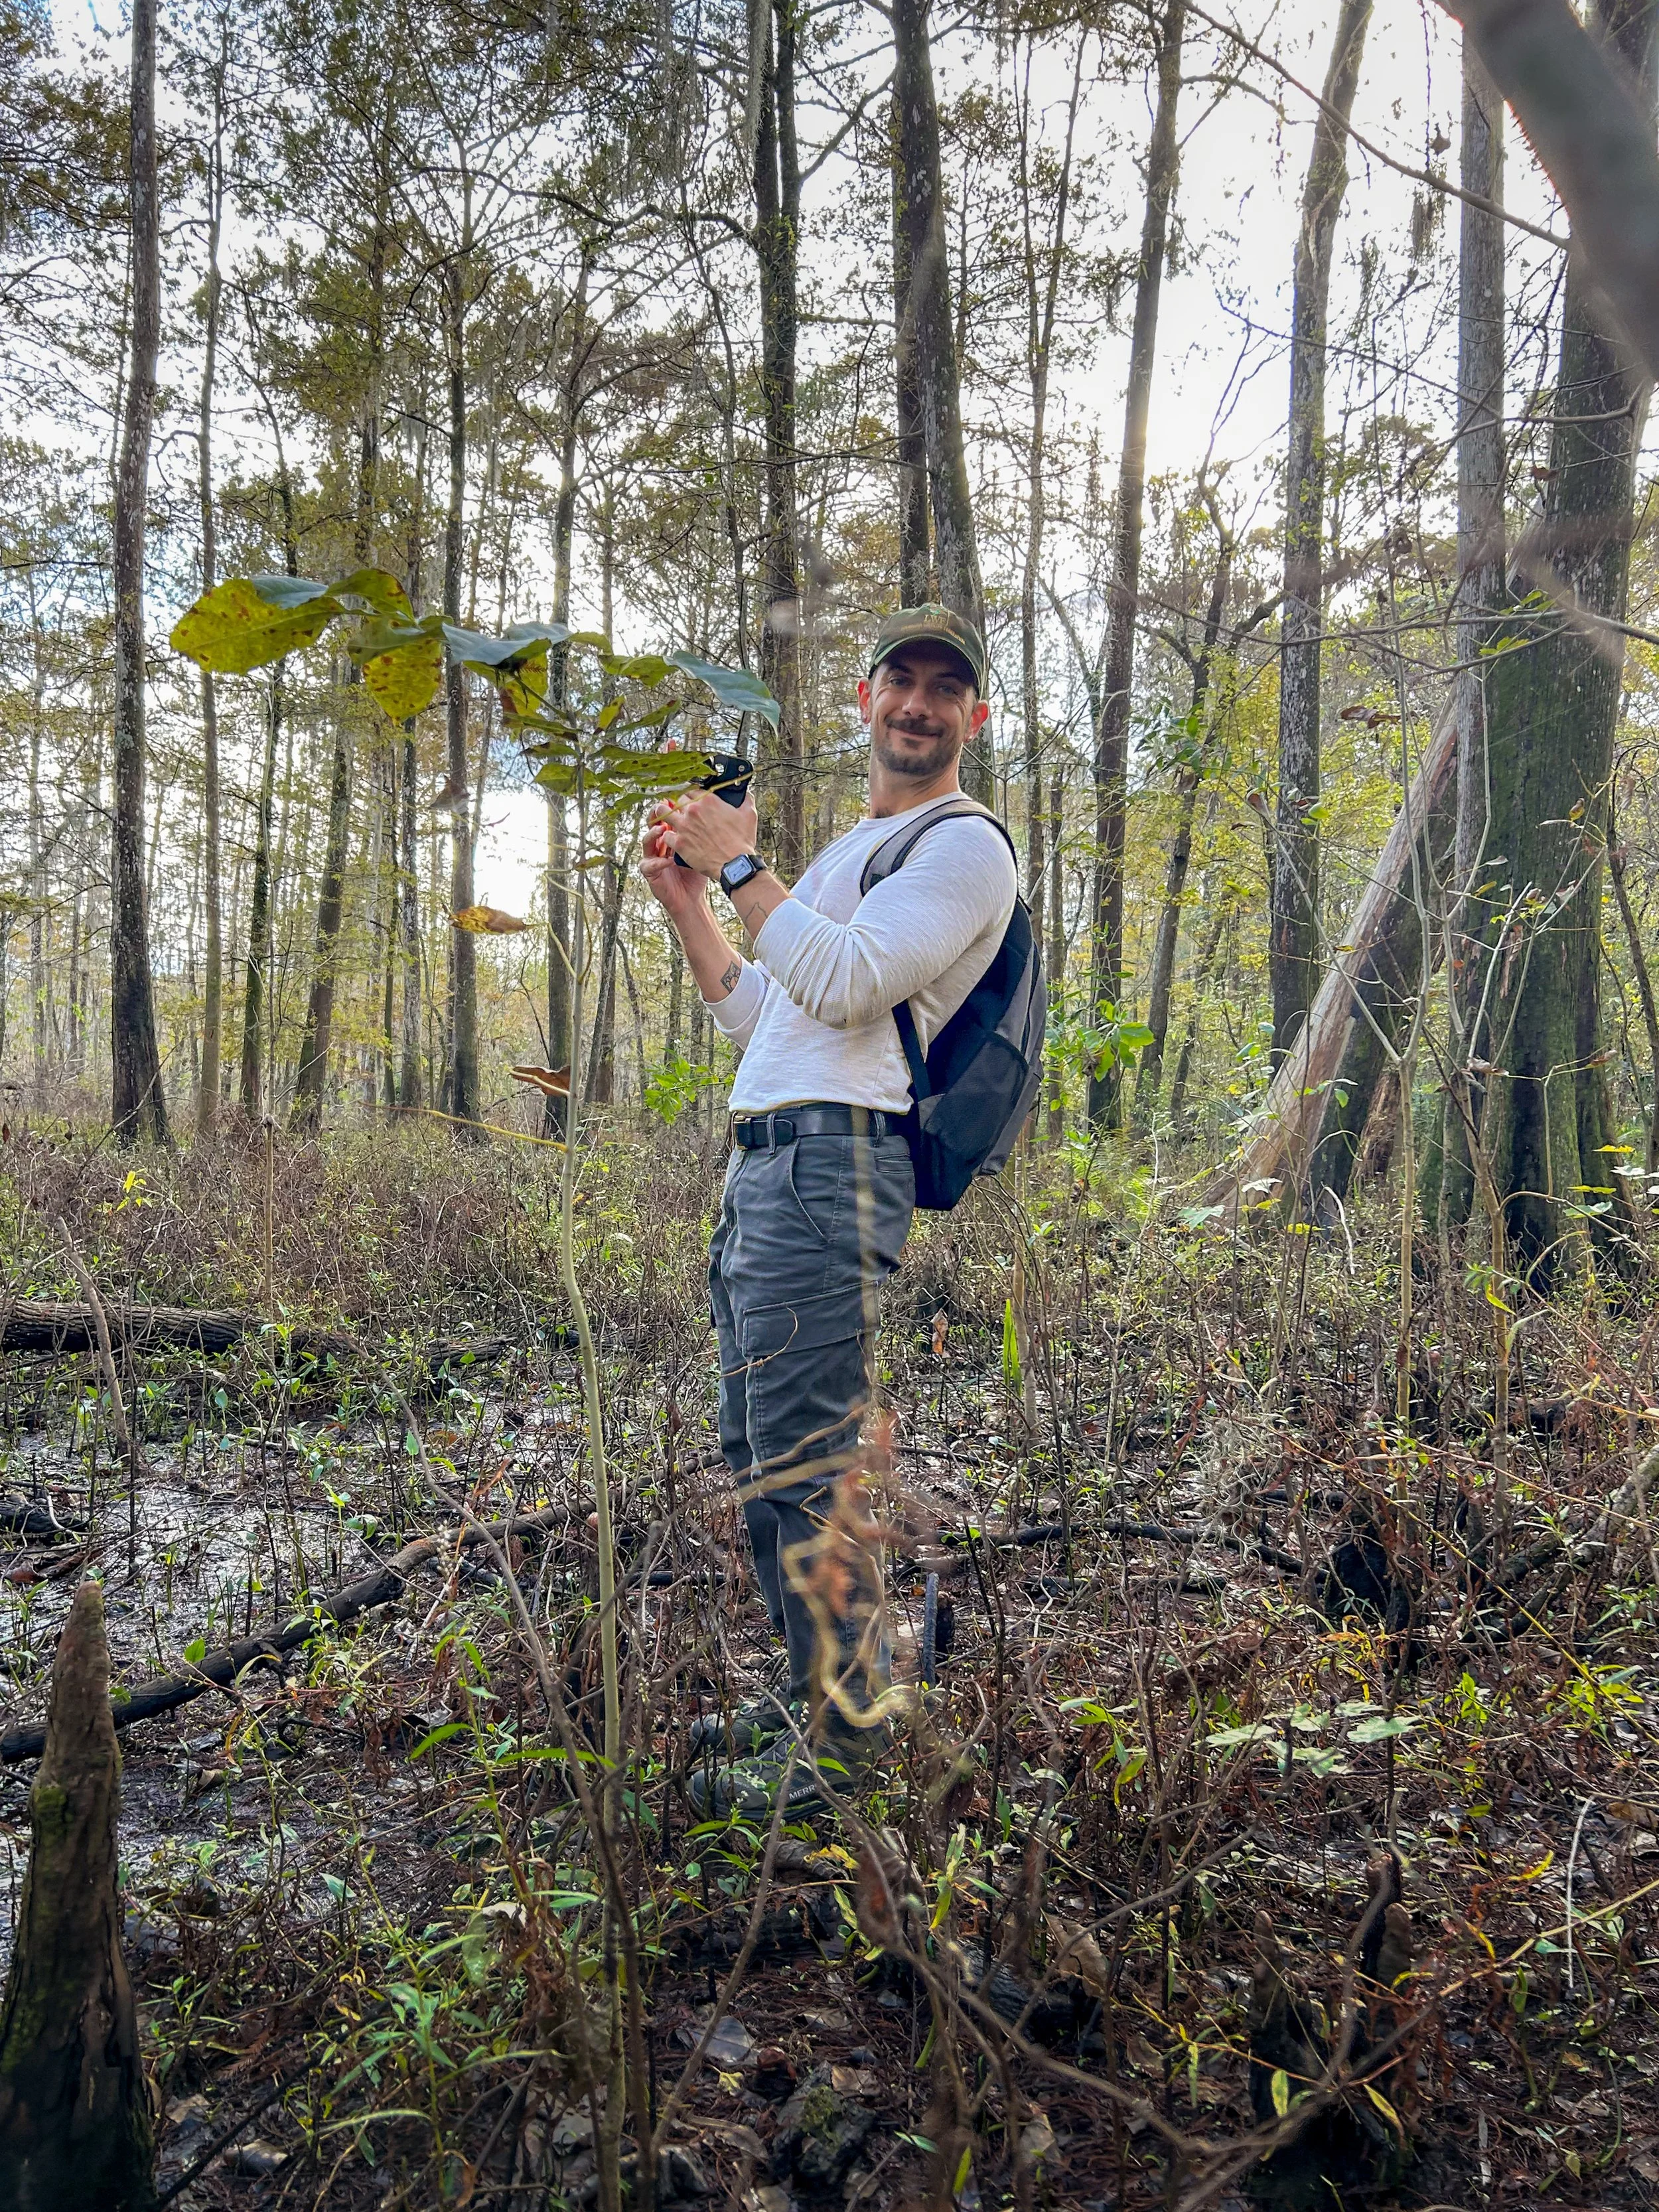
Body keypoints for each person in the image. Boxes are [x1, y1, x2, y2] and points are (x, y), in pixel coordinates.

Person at [641, 604, 1017, 1813]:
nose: (918, 705)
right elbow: (774, 1018)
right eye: (900, 680)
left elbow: (850, 981)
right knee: (761, 1447)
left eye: (944, 689)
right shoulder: (855, 851)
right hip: (771, 1161)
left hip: (836, 1168)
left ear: (974, 716)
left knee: (804, 1454)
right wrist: (689, 899)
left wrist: (741, 865)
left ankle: (847, 1744)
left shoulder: (965, 847)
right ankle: (822, 1690)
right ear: (864, 698)